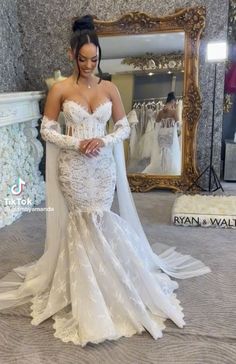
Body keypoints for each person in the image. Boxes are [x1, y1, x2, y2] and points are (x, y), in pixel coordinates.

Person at [0, 15, 210, 347]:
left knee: (101, 218)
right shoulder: (60, 89)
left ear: (99, 56)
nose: (88, 64)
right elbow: (47, 129)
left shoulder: (109, 88)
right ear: (72, 55)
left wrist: (105, 140)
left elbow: (125, 127)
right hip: (73, 168)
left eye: (94, 59)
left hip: (102, 169)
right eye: (82, 59)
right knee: (82, 222)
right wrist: (76, 143)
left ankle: (110, 277)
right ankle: (87, 289)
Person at [142, 92, 181, 175]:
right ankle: (167, 170)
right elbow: (178, 124)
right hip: (169, 134)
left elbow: (156, 124)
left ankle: (162, 169)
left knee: (162, 152)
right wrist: (178, 130)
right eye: (175, 102)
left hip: (161, 135)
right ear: (173, 101)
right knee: (169, 152)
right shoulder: (173, 112)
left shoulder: (160, 112)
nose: (175, 104)